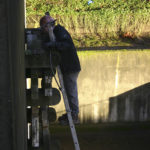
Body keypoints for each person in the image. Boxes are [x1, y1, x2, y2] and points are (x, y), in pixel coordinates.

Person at [40, 13, 81, 125]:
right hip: (66, 67)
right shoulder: (53, 33)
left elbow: (65, 45)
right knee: (68, 92)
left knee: (71, 91)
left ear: (47, 26)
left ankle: (74, 115)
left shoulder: (59, 31)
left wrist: (52, 45)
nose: (43, 31)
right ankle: (71, 113)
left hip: (70, 66)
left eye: (43, 28)